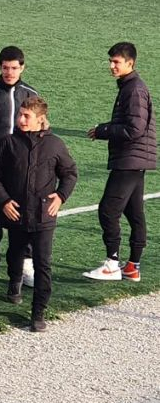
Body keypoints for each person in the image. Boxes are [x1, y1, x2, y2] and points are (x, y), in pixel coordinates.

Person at [0, 97, 77, 332]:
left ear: (41, 119)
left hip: (44, 216)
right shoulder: (8, 142)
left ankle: (38, 312)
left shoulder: (55, 144)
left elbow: (69, 173)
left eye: (27, 116)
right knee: (15, 252)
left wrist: (61, 196)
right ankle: (14, 281)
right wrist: (4, 201)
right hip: (16, 213)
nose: (21, 119)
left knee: (42, 264)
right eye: (20, 114)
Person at [83, 42, 156, 282]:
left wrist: (103, 130)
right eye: (110, 61)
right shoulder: (131, 86)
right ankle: (133, 266)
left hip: (130, 159)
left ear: (130, 63)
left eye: (116, 62)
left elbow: (135, 128)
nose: (111, 66)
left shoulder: (133, 89)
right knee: (134, 213)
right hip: (136, 159)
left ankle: (112, 264)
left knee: (108, 210)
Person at [0, 46, 39, 284]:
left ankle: (26, 261)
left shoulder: (31, 94)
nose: (9, 72)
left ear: (22, 68)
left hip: (24, 168)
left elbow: (40, 130)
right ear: (0, 67)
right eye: (5, 68)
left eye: (14, 68)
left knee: (26, 211)